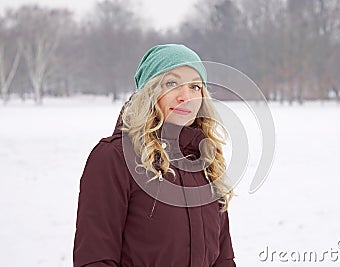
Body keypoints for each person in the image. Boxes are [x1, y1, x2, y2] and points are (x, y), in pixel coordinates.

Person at [73, 44, 236, 267]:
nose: (185, 97)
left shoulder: (205, 160)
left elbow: (223, 258)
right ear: (149, 92)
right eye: (171, 83)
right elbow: (95, 258)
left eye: (195, 87)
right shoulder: (114, 158)